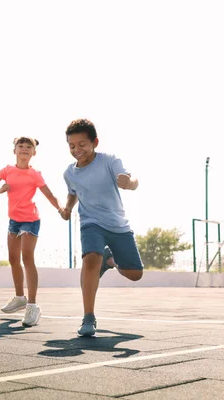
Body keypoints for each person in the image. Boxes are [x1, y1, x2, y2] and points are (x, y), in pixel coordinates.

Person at [60, 118, 143, 337]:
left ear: (95, 142)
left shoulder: (109, 161)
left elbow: (131, 178)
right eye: (71, 146)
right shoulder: (69, 173)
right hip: (91, 223)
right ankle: (89, 317)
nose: (77, 150)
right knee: (90, 259)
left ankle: (111, 260)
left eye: (82, 144)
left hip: (117, 224)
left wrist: (129, 183)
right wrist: (68, 208)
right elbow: (73, 192)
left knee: (135, 274)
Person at [0, 137, 63, 327]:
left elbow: (49, 194)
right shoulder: (7, 170)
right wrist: (0, 189)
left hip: (30, 220)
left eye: (28, 147)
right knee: (13, 259)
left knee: (27, 258)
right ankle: (19, 297)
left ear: (34, 152)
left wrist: (60, 209)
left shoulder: (35, 174)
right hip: (13, 221)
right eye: (21, 146)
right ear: (14, 150)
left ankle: (33, 305)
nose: (24, 149)